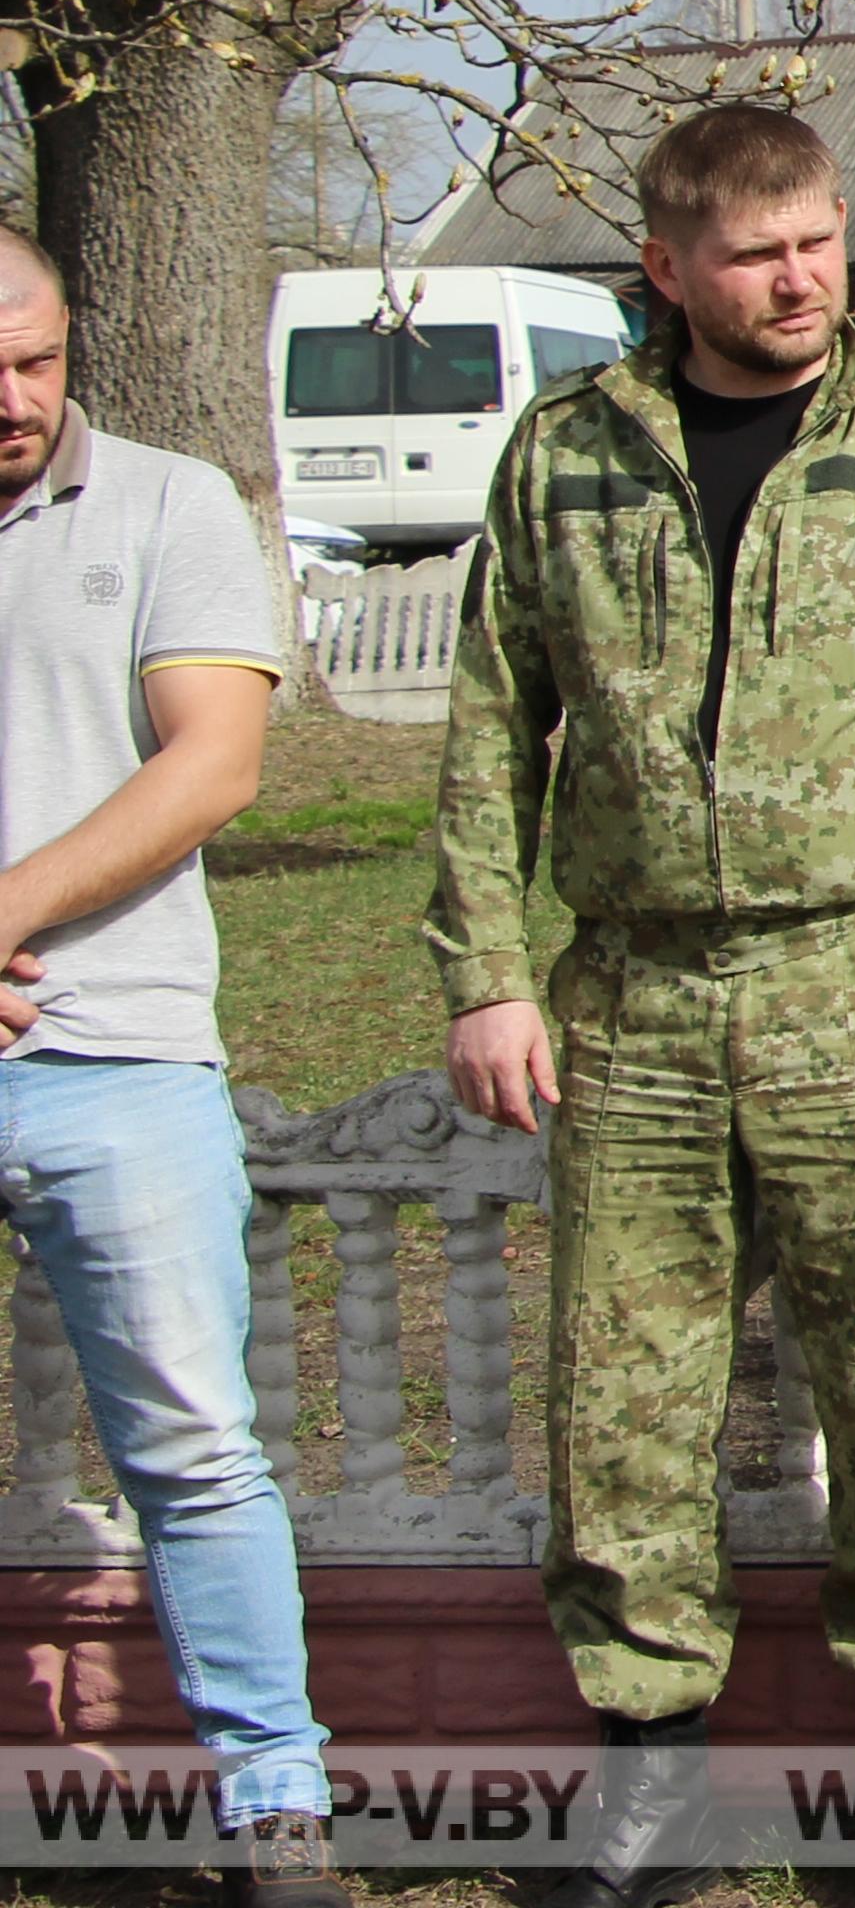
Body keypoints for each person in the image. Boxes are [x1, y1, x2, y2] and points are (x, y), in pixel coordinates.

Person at [427, 104, 855, 1908]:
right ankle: (647, 1781)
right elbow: (493, 727)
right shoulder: (565, 456)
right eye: (754, 253)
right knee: (624, 1403)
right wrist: (486, 969)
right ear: (666, 268)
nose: (798, 280)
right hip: (634, 1000)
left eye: (817, 240)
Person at [0, 230, 341, 1904]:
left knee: (196, 1447)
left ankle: (277, 1811)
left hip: (112, 1050)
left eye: (37, 361)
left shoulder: (165, 505)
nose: (14, 398)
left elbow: (211, 762)